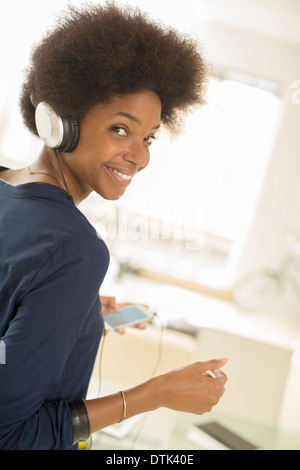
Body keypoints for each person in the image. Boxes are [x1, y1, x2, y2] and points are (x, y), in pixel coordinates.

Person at [0, 2, 227, 450]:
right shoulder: (75, 248)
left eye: (148, 137)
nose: (140, 156)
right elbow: (11, 435)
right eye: (121, 129)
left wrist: (77, 313)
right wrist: (154, 394)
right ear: (60, 121)